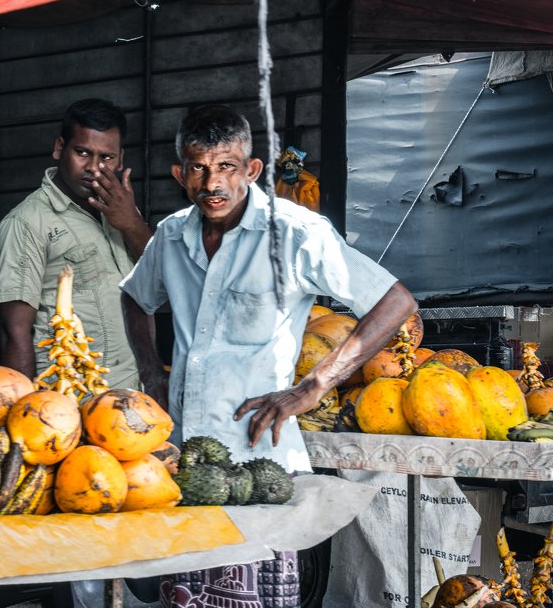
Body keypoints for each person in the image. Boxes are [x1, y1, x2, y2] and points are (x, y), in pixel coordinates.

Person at [120, 104, 417, 608]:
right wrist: (152, 373)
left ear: (252, 169)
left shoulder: (297, 233)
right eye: (198, 167)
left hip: (262, 468)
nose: (212, 182)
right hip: (187, 467)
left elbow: (395, 303)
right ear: (180, 173)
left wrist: (314, 385)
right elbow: (134, 297)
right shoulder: (171, 236)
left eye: (227, 166)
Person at [0, 98, 152, 390]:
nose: (93, 167)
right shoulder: (26, 224)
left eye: (106, 157)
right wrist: (32, 416)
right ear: (59, 148)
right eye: (82, 152)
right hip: (70, 401)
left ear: (120, 160)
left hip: (133, 397)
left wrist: (131, 223)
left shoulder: (124, 210)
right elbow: (14, 333)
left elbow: (159, 280)